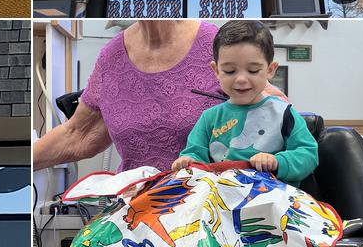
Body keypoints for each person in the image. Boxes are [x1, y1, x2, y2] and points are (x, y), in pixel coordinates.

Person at [35, 21, 229, 173]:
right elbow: (78, 134)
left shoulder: (215, 44)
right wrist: (14, 161)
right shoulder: (112, 56)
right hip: (137, 210)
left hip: (210, 208)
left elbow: (258, 112)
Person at [171, 20, 318, 186]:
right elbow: (195, 154)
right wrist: (187, 161)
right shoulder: (209, 117)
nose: (241, 79)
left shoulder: (283, 113)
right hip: (220, 200)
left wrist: (278, 162)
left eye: (253, 70)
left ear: (270, 70)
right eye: (230, 71)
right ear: (216, 71)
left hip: (273, 201)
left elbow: (308, 154)